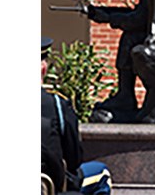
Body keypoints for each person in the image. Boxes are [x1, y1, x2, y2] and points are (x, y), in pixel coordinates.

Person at [41, 37, 112, 194]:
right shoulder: (57, 104)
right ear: (43, 69)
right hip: (53, 187)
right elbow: (74, 158)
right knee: (101, 173)